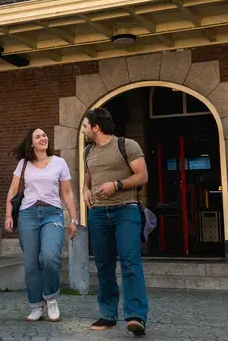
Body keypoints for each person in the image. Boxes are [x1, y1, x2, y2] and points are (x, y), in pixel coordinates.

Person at [81, 107, 149, 336]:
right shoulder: (87, 151)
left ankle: (136, 315)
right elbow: (88, 177)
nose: (83, 131)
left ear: (96, 127)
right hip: (98, 214)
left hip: (125, 210)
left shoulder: (127, 145)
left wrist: (116, 185)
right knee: (103, 265)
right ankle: (108, 315)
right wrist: (85, 190)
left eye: (84, 126)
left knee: (130, 262)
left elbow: (142, 176)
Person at [4, 128, 79, 322]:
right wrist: (8, 215)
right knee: (30, 263)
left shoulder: (59, 162)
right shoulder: (23, 164)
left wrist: (73, 219)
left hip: (52, 214)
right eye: (38, 136)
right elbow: (13, 190)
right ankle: (36, 305)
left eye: (44, 135)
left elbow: (68, 192)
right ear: (31, 143)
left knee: (50, 256)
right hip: (27, 215)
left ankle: (51, 297)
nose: (43, 138)